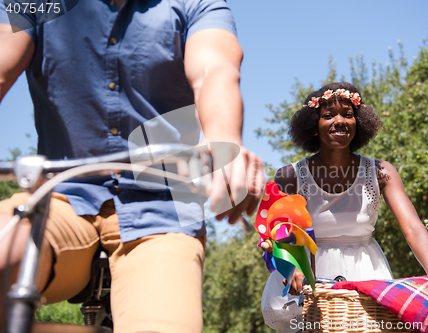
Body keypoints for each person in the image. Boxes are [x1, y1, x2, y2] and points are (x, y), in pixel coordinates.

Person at [0, 0, 264, 332]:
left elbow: (215, 69)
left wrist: (225, 142)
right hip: (59, 200)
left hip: (163, 207)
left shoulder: (194, 4)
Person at [261, 82, 428, 333]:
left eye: (348, 114)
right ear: (313, 127)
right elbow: (276, 232)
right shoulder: (289, 176)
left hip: (367, 272)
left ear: (359, 124)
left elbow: (412, 226)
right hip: (308, 274)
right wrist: (291, 266)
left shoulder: (381, 172)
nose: (340, 121)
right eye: (328, 115)